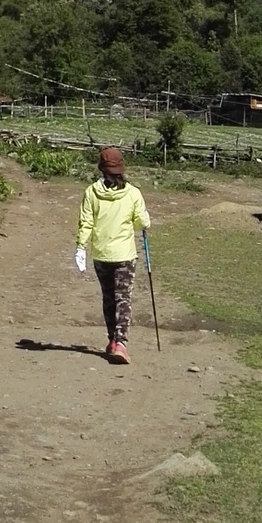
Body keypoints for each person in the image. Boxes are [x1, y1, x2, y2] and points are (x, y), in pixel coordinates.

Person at [75, 146, 150, 365]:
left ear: (102, 169)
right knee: (123, 298)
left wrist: (81, 247)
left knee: (108, 298)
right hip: (125, 255)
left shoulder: (91, 192)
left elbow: (86, 222)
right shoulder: (133, 193)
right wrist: (145, 220)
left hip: (101, 254)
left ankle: (111, 340)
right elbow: (141, 222)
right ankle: (121, 343)